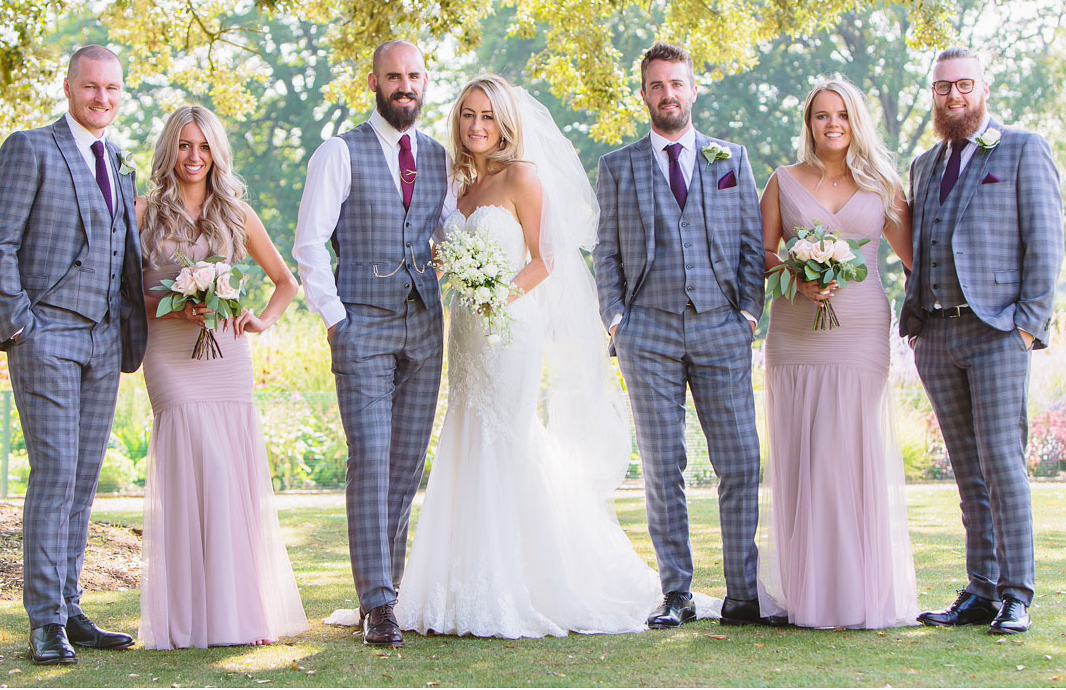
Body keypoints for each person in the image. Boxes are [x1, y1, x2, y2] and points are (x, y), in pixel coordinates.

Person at [394, 75, 684, 637]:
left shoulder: (522, 176)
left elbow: (547, 258)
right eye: (468, 115)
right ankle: (455, 579)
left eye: (488, 116)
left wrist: (494, 293)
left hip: (510, 327)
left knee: (507, 435)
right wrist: (453, 273)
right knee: (465, 431)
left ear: (505, 122)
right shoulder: (456, 184)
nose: (477, 126)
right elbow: (440, 249)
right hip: (467, 333)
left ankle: (524, 579)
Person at [0, 44, 147, 665]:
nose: (102, 98)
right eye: (91, 87)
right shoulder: (31, 148)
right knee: (54, 476)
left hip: (105, 340)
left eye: (112, 89)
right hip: (46, 336)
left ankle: (71, 609)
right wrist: (22, 326)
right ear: (69, 87)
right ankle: (44, 619)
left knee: (82, 482)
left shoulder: (119, 163)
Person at [594, 41, 771, 629]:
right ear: (643, 93)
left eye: (678, 83)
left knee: (741, 461)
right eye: (657, 85)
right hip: (649, 331)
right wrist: (617, 319)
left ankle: (742, 593)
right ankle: (677, 592)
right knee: (663, 465)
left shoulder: (732, 159)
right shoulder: (619, 166)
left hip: (722, 327)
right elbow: (608, 252)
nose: (668, 94)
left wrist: (748, 312)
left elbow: (751, 243)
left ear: (694, 89)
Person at [292, 40, 455, 648]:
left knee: (406, 467)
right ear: (374, 82)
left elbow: (448, 236)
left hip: (425, 325)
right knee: (371, 461)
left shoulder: (438, 156)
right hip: (362, 324)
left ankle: (390, 584)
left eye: (413, 76)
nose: (404, 86)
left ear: (424, 81)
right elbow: (310, 242)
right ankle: (378, 604)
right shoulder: (340, 151)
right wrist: (337, 318)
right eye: (393, 77)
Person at [899, 48, 1063, 636]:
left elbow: (1045, 244)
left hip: (996, 332)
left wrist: (1026, 326)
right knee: (967, 470)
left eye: (963, 84)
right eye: (942, 87)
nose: (953, 96)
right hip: (937, 334)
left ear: (983, 87)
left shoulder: (1021, 148)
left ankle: (1018, 594)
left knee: (1002, 464)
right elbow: (921, 245)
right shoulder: (922, 164)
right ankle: (981, 589)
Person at [136, 105, 308, 649]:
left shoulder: (235, 213)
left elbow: (286, 282)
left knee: (229, 476)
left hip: (226, 357)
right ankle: (190, 619)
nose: (194, 157)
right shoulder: (141, 212)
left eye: (204, 147)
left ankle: (242, 613)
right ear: (170, 150)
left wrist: (260, 319)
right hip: (168, 353)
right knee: (192, 464)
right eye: (185, 146)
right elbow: (121, 293)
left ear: (217, 153)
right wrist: (171, 304)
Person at [756, 77, 919, 629]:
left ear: (856, 123)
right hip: (796, 332)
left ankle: (854, 594)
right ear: (809, 124)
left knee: (846, 451)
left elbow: (916, 258)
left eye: (842, 116)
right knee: (803, 453)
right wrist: (796, 279)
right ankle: (809, 593)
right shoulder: (783, 181)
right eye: (822, 116)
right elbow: (759, 253)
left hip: (861, 329)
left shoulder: (882, 186)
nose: (832, 125)